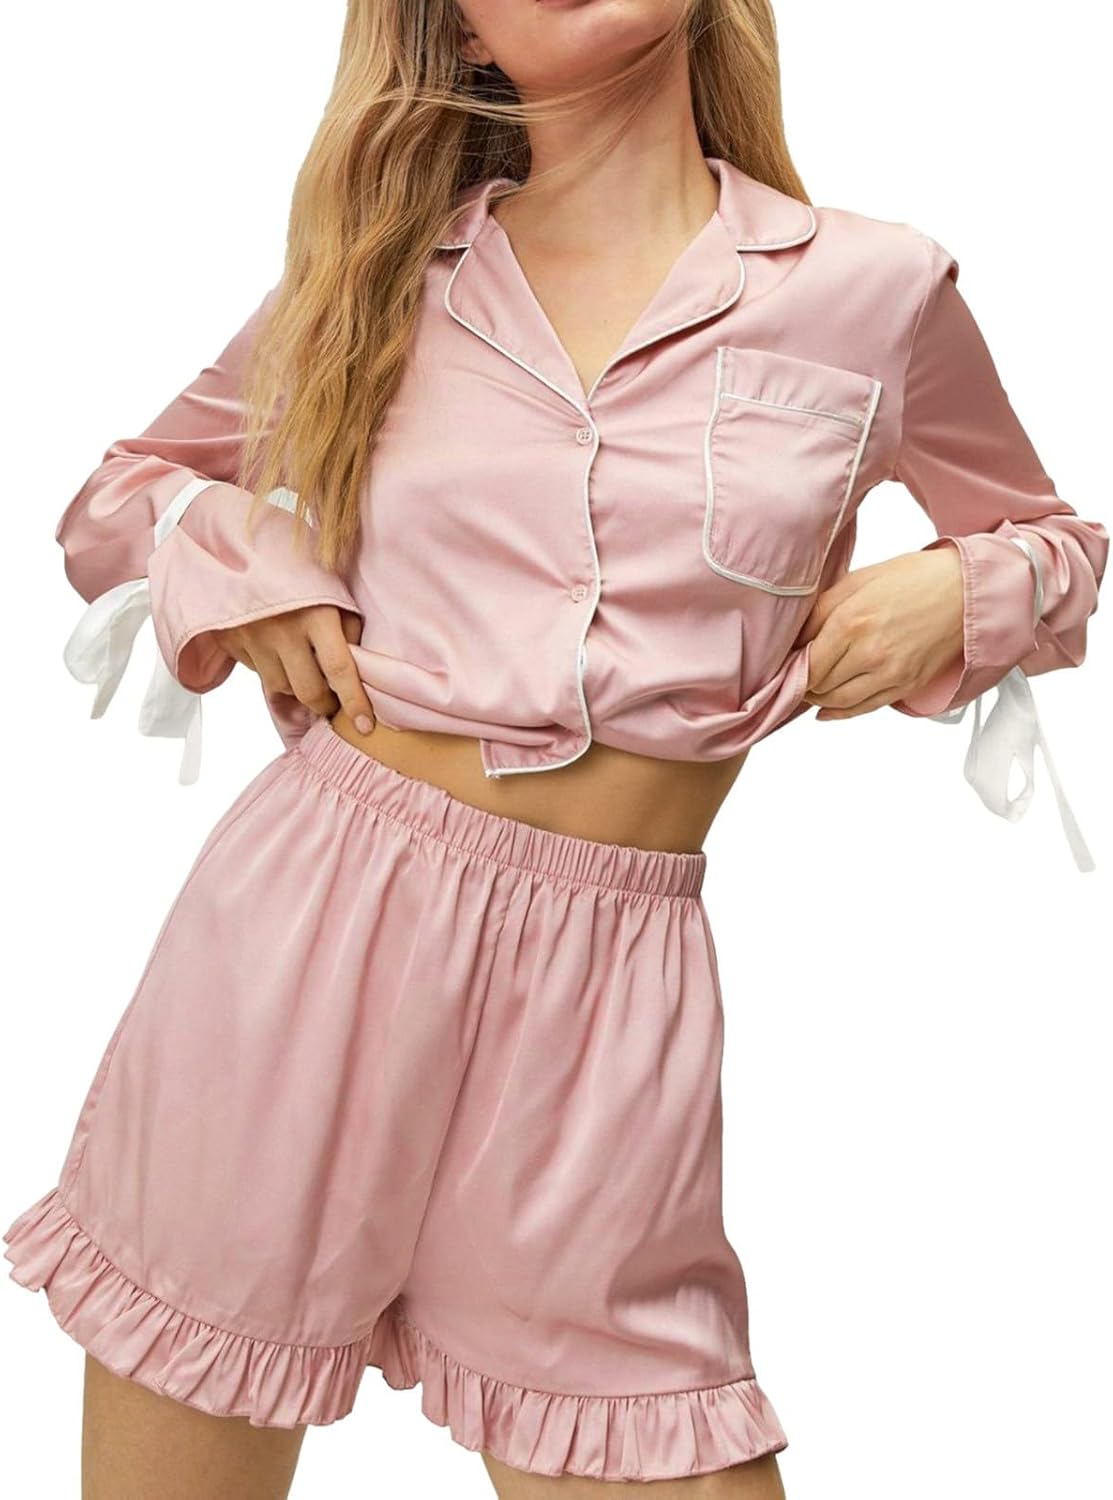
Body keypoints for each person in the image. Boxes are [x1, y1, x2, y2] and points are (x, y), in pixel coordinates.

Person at [5, 2, 1108, 1497]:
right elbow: (122, 493)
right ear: (461, 32)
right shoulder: (380, 276)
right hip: (305, 931)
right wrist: (240, 559)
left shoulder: (873, 289)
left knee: (657, 1437)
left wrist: (961, 587)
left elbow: (1052, 539)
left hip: (609, 992)